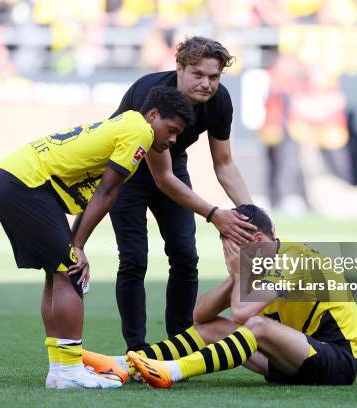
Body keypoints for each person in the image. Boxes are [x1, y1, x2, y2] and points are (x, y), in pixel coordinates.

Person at [0, 86, 194, 389]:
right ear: (153, 115)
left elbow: (100, 193)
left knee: (57, 274)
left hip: (14, 179)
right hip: (26, 184)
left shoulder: (127, 124)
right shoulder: (141, 132)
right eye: (171, 129)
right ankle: (71, 370)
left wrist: (74, 244)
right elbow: (107, 191)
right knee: (71, 273)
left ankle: (59, 369)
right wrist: (77, 246)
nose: (173, 139)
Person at [104, 36, 255, 352]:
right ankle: (137, 348)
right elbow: (162, 178)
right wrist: (215, 215)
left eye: (213, 77)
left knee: (185, 255)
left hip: (171, 165)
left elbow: (224, 163)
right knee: (134, 258)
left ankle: (181, 342)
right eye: (197, 75)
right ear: (179, 70)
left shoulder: (219, 101)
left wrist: (253, 217)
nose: (206, 84)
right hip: (126, 169)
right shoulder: (152, 94)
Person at [124, 204, 357, 387]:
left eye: (234, 250)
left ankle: (172, 371)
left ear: (258, 241)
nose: (230, 258)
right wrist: (236, 275)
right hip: (291, 361)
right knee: (211, 327)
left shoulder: (294, 260)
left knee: (256, 325)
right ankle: (123, 365)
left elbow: (241, 314)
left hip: (338, 361)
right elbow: (200, 315)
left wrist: (241, 271)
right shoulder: (259, 262)